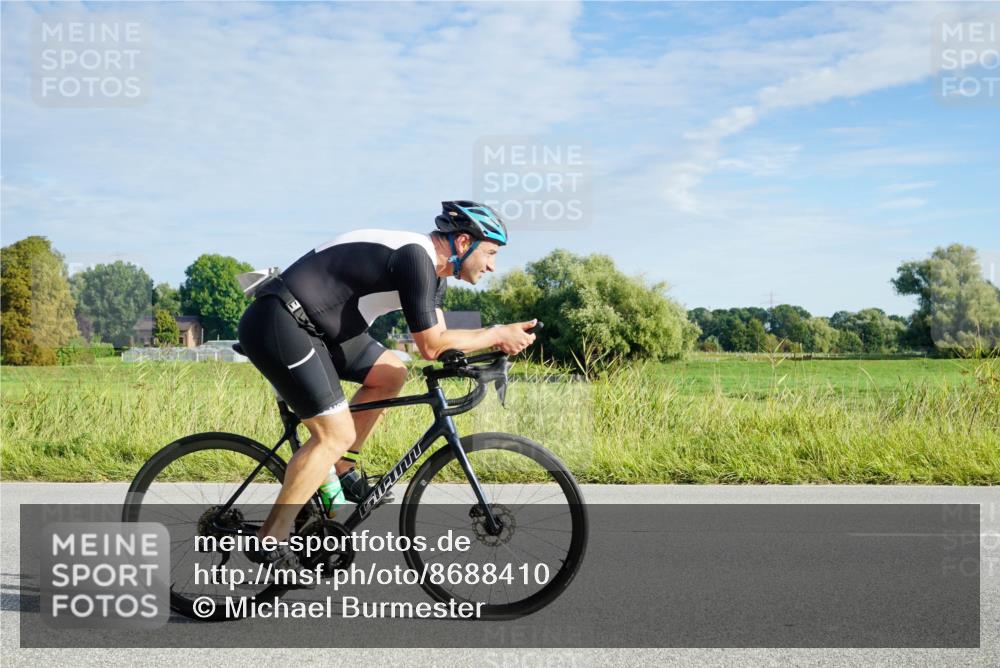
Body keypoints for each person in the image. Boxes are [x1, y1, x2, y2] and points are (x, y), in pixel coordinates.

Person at [235, 201, 536, 571]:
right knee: (333, 434)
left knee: (391, 372)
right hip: (281, 322)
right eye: (490, 253)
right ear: (462, 243)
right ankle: (271, 538)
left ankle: (343, 469)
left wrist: (481, 357)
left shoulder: (433, 275)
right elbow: (430, 346)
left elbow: (440, 340)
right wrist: (494, 334)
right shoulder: (416, 259)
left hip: (320, 326)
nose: (491, 265)